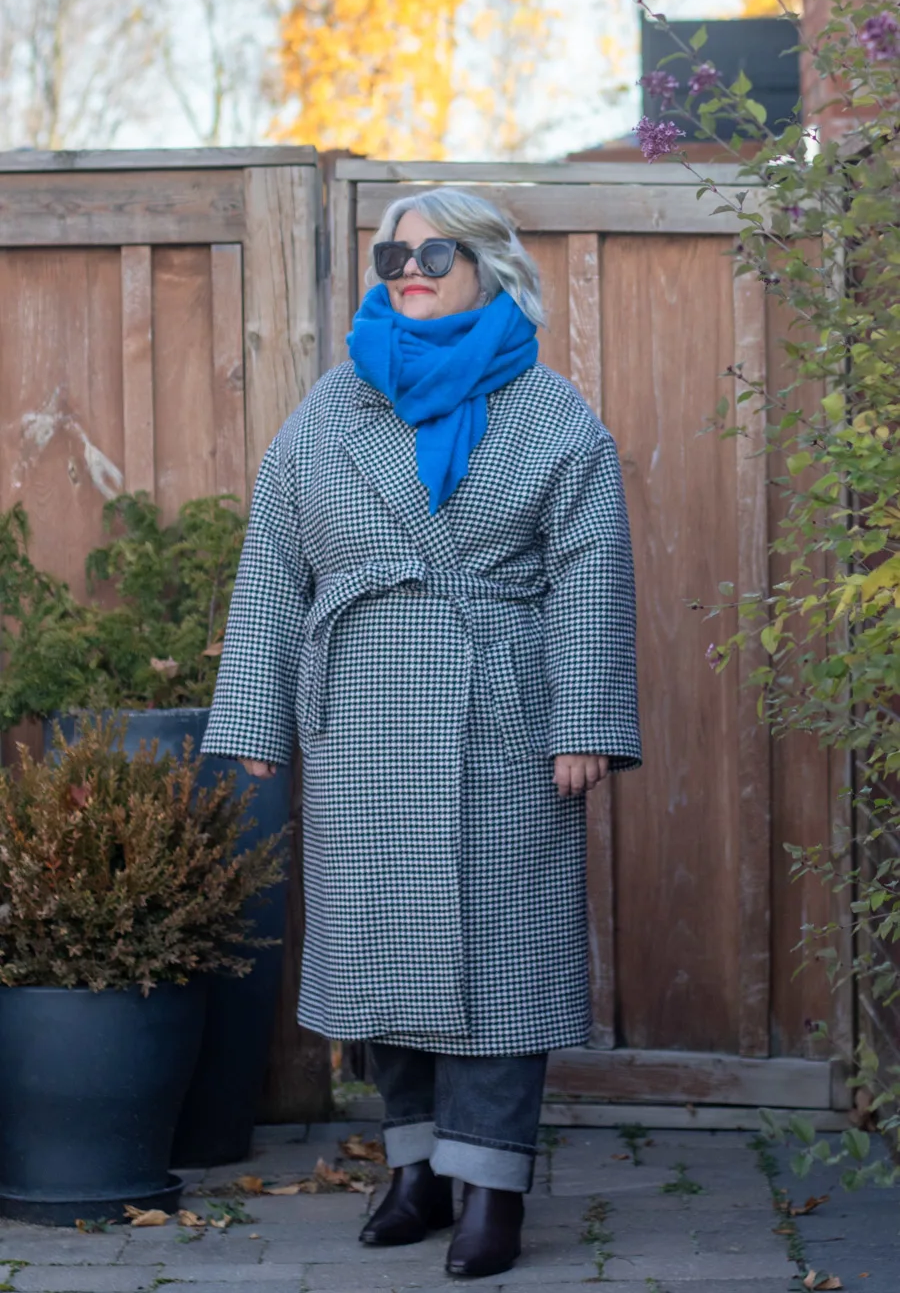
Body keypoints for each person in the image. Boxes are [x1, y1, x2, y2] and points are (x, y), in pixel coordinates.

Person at [201, 188, 642, 1280]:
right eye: (392, 252)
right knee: (381, 950)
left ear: (486, 266)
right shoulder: (331, 410)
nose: (408, 266)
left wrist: (583, 720)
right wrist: (256, 713)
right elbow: (273, 568)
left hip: (500, 707)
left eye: (432, 251)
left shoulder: (552, 415)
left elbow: (592, 579)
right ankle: (415, 1170)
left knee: (499, 955)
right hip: (361, 714)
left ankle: (492, 1188)